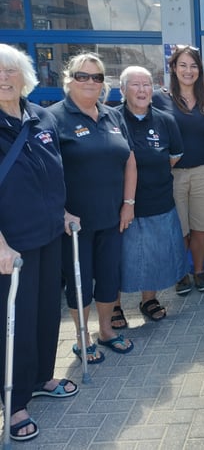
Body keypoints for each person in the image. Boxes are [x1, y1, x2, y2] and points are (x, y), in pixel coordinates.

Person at [0, 44, 79, 442]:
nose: (4, 77)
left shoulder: (40, 117)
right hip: (12, 246)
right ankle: (14, 404)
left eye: (11, 70)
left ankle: (43, 377)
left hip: (50, 234)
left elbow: (52, 172)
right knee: (16, 323)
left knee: (48, 311)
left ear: (24, 76)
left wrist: (63, 211)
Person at [48, 52, 136, 363]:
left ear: (104, 84)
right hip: (75, 223)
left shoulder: (112, 116)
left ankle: (107, 331)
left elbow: (129, 160)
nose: (90, 82)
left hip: (112, 217)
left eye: (96, 77)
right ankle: (82, 335)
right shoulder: (53, 118)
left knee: (109, 277)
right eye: (82, 76)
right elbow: (44, 173)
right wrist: (62, 213)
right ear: (68, 80)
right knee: (80, 281)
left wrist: (128, 203)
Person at [115, 66, 186, 321]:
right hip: (120, 204)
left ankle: (149, 299)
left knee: (154, 254)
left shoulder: (165, 120)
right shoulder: (111, 119)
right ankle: (114, 305)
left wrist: (151, 171)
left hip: (158, 199)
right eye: (135, 85)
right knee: (120, 257)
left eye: (146, 85)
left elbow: (175, 156)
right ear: (122, 89)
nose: (142, 90)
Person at [153, 46, 204, 295]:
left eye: (193, 66)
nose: (188, 70)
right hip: (173, 175)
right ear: (173, 68)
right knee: (178, 228)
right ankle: (181, 273)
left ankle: (199, 271)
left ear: (200, 70)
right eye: (182, 65)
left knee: (202, 225)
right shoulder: (159, 99)